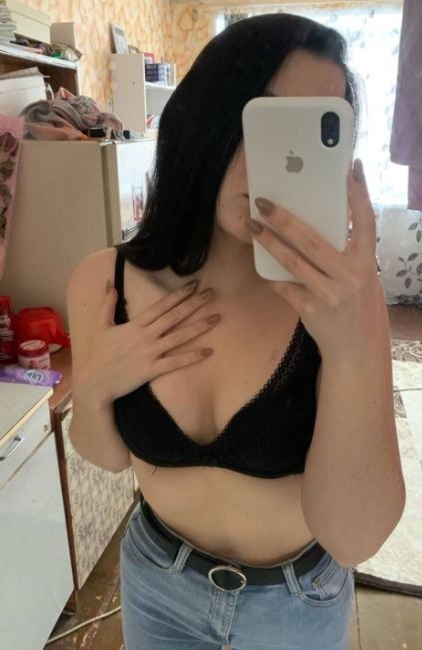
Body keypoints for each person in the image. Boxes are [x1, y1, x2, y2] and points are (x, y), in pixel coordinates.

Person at [67, 13, 385, 650]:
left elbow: (355, 538)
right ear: (204, 119)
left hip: (295, 605)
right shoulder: (104, 282)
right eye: (265, 121)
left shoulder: (343, 301)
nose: (281, 158)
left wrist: (350, 351)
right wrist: (95, 388)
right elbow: (106, 456)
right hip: (157, 581)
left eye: (313, 130)